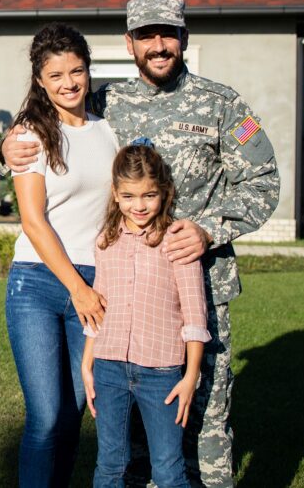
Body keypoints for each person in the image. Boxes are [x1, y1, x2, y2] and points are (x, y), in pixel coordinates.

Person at [0, 0, 280, 487]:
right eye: (146, 36)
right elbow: (45, 126)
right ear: (129, 44)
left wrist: (209, 228)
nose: (158, 45)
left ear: (184, 38)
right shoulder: (109, 102)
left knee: (206, 416)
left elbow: (266, 181)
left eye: (167, 34)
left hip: (200, 285)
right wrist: (2, 150)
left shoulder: (224, 105)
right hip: (127, 289)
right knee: (127, 424)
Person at [5, 22, 119, 487]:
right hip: (38, 283)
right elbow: (33, 221)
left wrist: (92, 288)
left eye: (77, 71)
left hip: (94, 281)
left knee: (74, 413)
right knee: (46, 416)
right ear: (39, 80)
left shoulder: (109, 129)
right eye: (56, 75)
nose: (68, 83)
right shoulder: (30, 135)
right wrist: (78, 290)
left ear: (89, 71)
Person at [82, 144, 211, 488]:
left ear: (163, 192)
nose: (139, 205)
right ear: (115, 194)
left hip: (162, 375)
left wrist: (190, 377)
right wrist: (87, 362)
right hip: (109, 368)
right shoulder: (106, 241)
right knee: (111, 464)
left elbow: (195, 317)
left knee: (168, 471)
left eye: (149, 195)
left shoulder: (177, 241)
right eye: (129, 196)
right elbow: (98, 308)